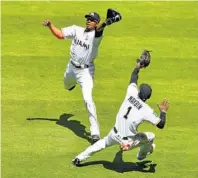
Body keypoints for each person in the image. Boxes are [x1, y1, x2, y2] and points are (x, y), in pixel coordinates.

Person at [72, 50, 169, 166]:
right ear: (148, 97)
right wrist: (163, 111)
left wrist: (138, 67)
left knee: (100, 144)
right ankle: (141, 156)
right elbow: (161, 124)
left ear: (138, 91)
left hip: (114, 134)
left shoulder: (131, 94)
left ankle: (78, 158)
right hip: (128, 142)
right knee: (151, 137)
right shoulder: (146, 110)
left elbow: (133, 78)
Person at [43, 9, 122, 143]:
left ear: (96, 23)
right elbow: (60, 35)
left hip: (86, 72)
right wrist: (50, 26)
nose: (88, 21)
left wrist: (107, 22)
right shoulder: (76, 30)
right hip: (71, 67)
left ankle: (95, 133)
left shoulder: (96, 37)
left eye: (91, 20)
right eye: (88, 19)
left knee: (87, 99)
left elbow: (100, 29)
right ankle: (71, 85)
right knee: (66, 85)